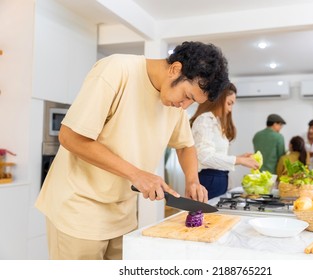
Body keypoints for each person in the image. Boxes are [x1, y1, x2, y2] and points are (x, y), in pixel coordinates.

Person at [34, 41, 230, 260]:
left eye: (192, 102)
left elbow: (185, 145)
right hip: (79, 207)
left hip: (123, 212)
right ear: (175, 69)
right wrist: (137, 174)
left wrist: (192, 180)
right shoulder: (116, 70)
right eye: (188, 96)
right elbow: (71, 137)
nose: (184, 106)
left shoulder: (175, 105)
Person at [190, 83, 259, 199]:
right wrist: (239, 160)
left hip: (219, 178)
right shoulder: (205, 120)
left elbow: (215, 155)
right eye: (229, 103)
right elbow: (205, 157)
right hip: (209, 179)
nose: (230, 109)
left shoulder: (215, 121)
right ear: (218, 99)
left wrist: (240, 158)